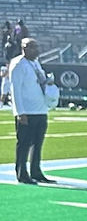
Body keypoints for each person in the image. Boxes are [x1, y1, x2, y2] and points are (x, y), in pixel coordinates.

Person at [9, 38, 54, 184]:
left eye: (37, 47)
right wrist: (19, 112)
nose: (37, 50)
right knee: (24, 144)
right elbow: (15, 90)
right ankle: (22, 173)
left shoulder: (35, 63)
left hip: (40, 109)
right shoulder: (18, 64)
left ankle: (36, 171)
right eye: (33, 47)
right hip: (27, 111)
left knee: (37, 143)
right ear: (24, 48)